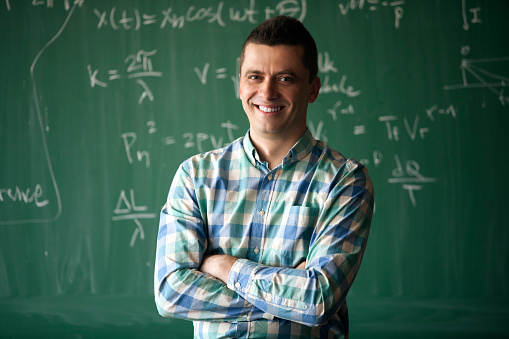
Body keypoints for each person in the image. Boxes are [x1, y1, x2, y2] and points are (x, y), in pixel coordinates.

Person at [154, 15, 374, 339]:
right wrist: (289, 295)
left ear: (313, 89)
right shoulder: (196, 176)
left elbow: (317, 300)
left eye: (285, 78)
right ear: (240, 85)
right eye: (255, 76)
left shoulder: (346, 181)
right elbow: (171, 291)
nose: (267, 92)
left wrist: (224, 267)